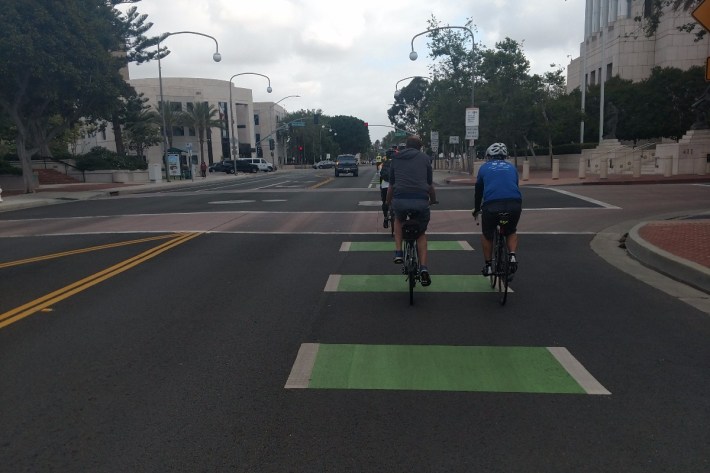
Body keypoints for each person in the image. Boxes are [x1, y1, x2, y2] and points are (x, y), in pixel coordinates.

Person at [385, 135, 437, 286]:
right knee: (420, 233)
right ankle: (424, 268)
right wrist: (432, 200)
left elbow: (391, 186)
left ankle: (398, 252)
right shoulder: (425, 158)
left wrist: (388, 203)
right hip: (421, 200)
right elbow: (429, 185)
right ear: (420, 147)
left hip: (400, 200)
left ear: (406, 146)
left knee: (398, 220)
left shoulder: (396, 158)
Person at [472, 142, 522, 278]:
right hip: (514, 204)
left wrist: (477, 209)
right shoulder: (512, 168)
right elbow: (515, 186)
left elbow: (479, 191)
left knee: (487, 235)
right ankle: (512, 255)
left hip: (492, 205)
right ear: (505, 156)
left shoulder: (484, 168)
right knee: (511, 230)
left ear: (488, 156)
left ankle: (488, 266)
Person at [379, 149, 394, 228]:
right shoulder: (398, 163)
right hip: (396, 186)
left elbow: (380, 175)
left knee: (384, 201)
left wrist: (381, 186)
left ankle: (385, 218)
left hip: (385, 186)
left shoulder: (383, 164)